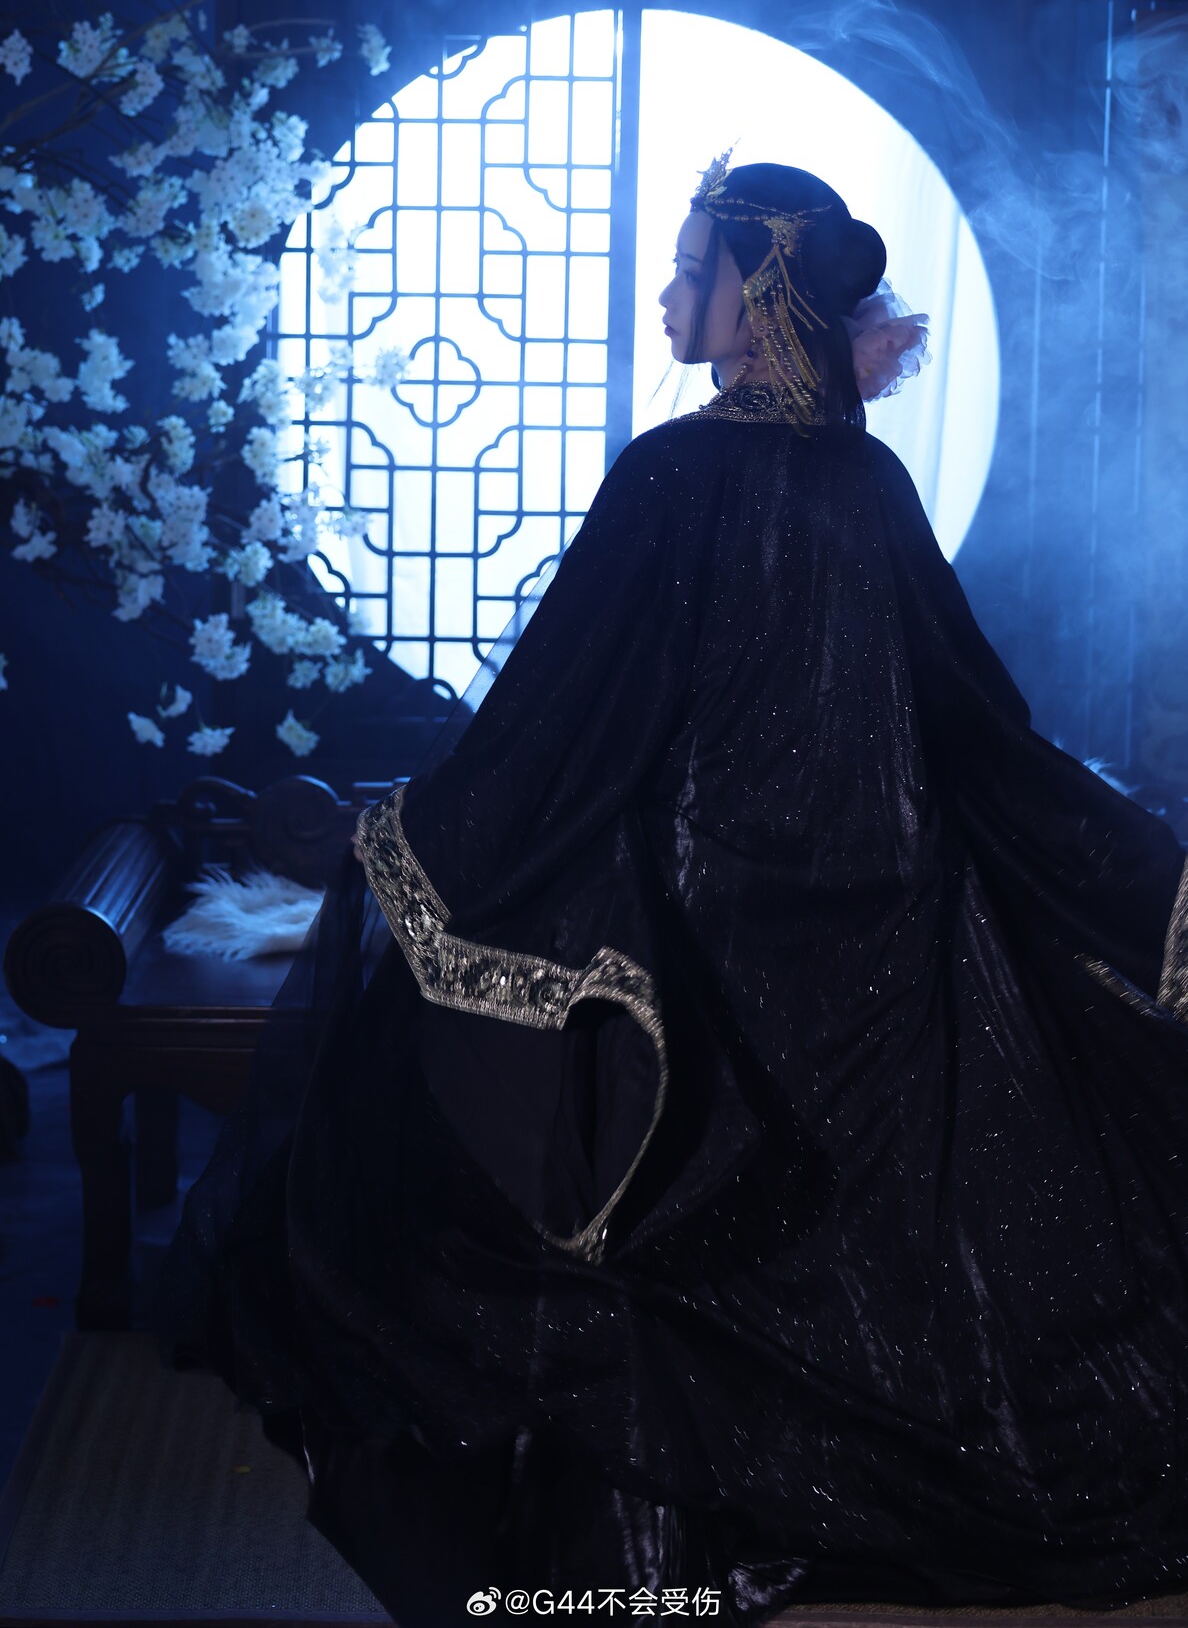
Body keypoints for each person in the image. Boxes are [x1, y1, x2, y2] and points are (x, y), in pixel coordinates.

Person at [158, 161, 1188, 1626]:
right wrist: (1135, 879)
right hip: (884, 931)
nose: (665, 293)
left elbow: (563, 714)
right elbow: (978, 733)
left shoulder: (674, 475)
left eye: (690, 265)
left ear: (758, 294)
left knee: (603, 1191)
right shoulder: (868, 483)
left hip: (714, 932)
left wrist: (419, 833)